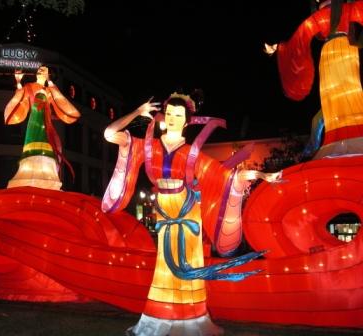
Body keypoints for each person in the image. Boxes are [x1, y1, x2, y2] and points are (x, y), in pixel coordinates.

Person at [102, 92, 280, 336]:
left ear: (187, 122)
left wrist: (261, 176)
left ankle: (190, 319)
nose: (174, 118)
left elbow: (226, 176)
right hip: (165, 210)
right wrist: (137, 112)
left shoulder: (193, 154)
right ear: (164, 117)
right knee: (165, 266)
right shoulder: (149, 147)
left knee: (186, 263)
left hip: (186, 213)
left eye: (179, 115)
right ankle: (160, 317)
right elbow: (109, 134)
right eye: (171, 114)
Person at [264, 0, 363, 158]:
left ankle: (318, 145)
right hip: (347, 51)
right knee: (340, 96)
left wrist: (279, 48)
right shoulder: (349, 9)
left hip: (332, 53)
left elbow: (300, 36)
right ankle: (319, 143)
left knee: (337, 97)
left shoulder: (320, 17)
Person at [4, 66, 80, 190]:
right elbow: (21, 96)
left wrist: (50, 83)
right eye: (39, 70)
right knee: (33, 142)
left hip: (46, 123)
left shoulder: (49, 90)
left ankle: (48, 175)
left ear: (47, 74)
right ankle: (28, 172)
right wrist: (18, 81)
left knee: (47, 143)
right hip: (34, 122)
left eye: (44, 71)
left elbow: (59, 100)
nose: (41, 72)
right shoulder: (29, 86)